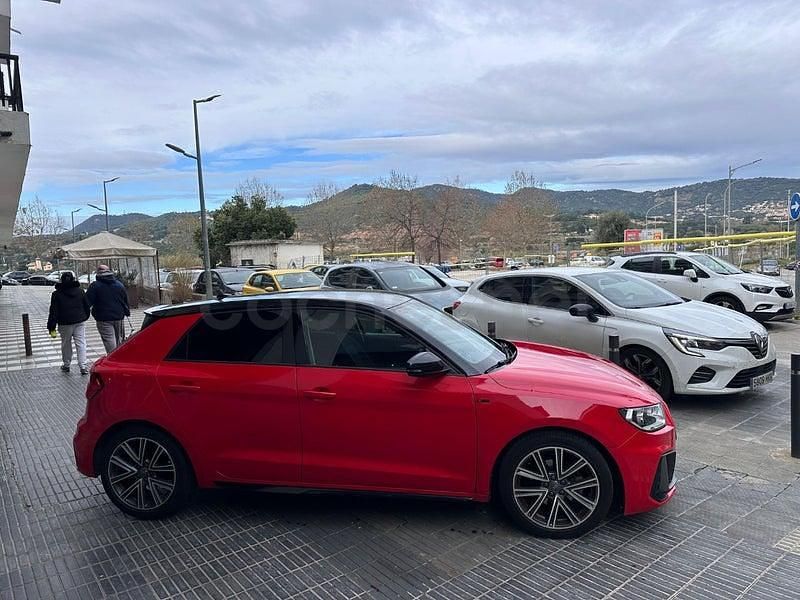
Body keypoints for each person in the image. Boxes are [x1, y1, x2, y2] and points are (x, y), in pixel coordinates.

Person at [47, 271, 91, 374]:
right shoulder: (80, 291)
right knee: (81, 343)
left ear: (61, 280)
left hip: (64, 323)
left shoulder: (56, 294)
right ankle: (83, 366)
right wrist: (85, 316)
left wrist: (51, 326)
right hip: (79, 321)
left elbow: (53, 311)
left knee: (66, 344)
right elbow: (86, 305)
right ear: (73, 279)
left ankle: (66, 365)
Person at [86, 264, 130, 353]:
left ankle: (113, 359)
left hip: (103, 318)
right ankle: (118, 357)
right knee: (119, 340)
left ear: (98, 273)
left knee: (109, 340)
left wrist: (88, 312)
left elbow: (87, 302)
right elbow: (125, 300)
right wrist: (127, 312)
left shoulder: (95, 286)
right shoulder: (119, 284)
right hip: (119, 316)